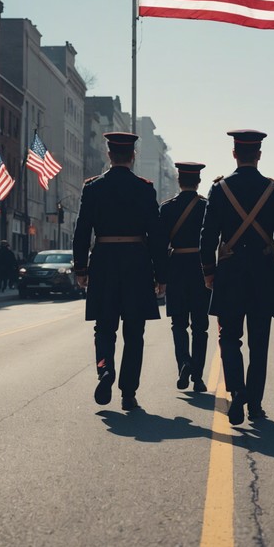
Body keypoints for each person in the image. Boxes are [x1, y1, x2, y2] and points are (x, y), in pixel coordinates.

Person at [200, 130, 274, 425]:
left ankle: (236, 391)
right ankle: (254, 404)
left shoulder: (219, 189)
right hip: (264, 273)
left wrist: (209, 271)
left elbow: (207, 236)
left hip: (229, 273)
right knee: (259, 342)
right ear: (259, 155)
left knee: (229, 337)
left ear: (234, 154)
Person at [72, 132, 168, 411]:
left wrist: (81, 268)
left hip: (103, 262)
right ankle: (128, 392)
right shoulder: (144, 188)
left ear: (108, 155)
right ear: (133, 156)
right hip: (136, 263)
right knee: (134, 332)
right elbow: (157, 235)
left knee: (104, 327)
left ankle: (104, 370)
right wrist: (161, 275)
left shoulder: (92, 188)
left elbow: (81, 232)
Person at [160, 162, 211, 393]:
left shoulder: (167, 208)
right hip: (201, 268)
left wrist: (159, 276)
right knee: (200, 326)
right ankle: (198, 377)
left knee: (178, 323)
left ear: (179, 181)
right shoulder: (206, 207)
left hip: (176, 269)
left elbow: (160, 245)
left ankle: (184, 363)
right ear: (198, 182)